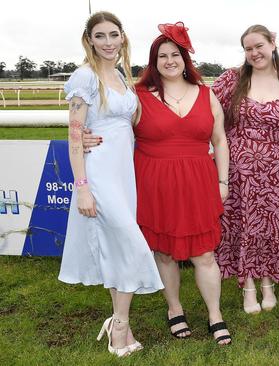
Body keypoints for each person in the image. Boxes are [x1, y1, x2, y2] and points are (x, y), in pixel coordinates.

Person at [82, 22, 232, 345]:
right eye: (161, 56)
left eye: (174, 54)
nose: (168, 61)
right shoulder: (138, 96)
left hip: (199, 183)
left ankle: (215, 315)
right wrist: (82, 136)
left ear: (184, 59)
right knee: (163, 253)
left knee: (204, 254)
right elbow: (113, 128)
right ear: (153, 62)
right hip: (155, 185)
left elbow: (220, 140)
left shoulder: (207, 95)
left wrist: (223, 181)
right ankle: (174, 309)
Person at [58, 11, 163, 357]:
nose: (107, 42)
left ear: (122, 38)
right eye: (99, 36)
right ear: (89, 40)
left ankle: (121, 322)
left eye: (113, 35)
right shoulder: (84, 77)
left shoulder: (120, 75)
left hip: (124, 173)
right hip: (99, 173)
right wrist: (82, 186)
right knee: (133, 246)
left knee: (120, 249)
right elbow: (75, 135)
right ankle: (119, 324)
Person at [211, 25, 279, 314]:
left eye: (259, 46)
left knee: (267, 228)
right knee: (242, 227)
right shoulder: (232, 79)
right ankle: (248, 286)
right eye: (248, 49)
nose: (254, 53)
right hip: (236, 167)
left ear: (273, 43)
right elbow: (204, 110)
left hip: (272, 169)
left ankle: (268, 283)